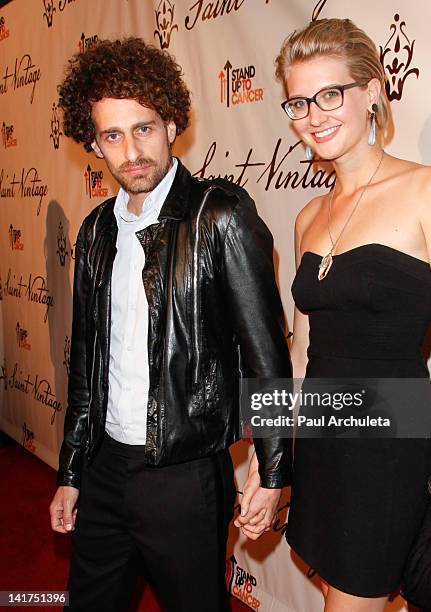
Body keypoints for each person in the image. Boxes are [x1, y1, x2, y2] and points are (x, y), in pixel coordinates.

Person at [48, 37, 292, 612]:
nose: (131, 150)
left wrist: (275, 468)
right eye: (112, 134)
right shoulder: (95, 233)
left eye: (144, 128)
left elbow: (267, 357)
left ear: (171, 121)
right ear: (94, 143)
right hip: (106, 469)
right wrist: (71, 471)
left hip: (185, 477)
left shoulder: (220, 217)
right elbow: (86, 365)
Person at [274, 18, 431, 612]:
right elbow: (301, 352)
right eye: (299, 101)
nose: (314, 115)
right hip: (321, 442)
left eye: (330, 94)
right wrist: (273, 457)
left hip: (389, 446)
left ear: (371, 92)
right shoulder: (308, 217)